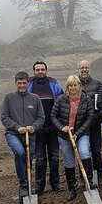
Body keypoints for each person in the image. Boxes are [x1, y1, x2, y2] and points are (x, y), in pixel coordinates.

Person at [51, 75, 96, 202]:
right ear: (67, 87)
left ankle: (89, 182)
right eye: (70, 85)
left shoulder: (86, 99)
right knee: (69, 161)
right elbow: (53, 116)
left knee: (84, 153)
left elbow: (89, 118)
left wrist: (78, 133)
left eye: (75, 85)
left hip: (81, 134)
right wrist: (62, 127)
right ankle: (72, 188)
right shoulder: (61, 99)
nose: (73, 88)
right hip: (65, 136)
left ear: (79, 86)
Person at [1, 71, 45, 200]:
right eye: (19, 83)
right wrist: (17, 127)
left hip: (30, 135)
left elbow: (41, 117)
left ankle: (26, 191)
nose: (21, 85)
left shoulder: (35, 98)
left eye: (24, 83)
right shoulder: (9, 98)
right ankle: (23, 185)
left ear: (28, 83)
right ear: (15, 83)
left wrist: (34, 127)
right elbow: (4, 117)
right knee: (20, 153)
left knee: (28, 160)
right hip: (13, 134)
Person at [27, 61, 64, 194]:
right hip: (37, 130)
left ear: (46, 70)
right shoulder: (29, 85)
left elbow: (62, 100)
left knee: (54, 157)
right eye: (38, 70)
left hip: (53, 127)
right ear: (34, 71)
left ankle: (55, 183)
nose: (40, 72)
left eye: (43, 69)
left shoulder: (53, 84)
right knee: (40, 159)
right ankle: (39, 186)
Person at [78, 60, 102, 184]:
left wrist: (99, 117)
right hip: (80, 126)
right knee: (82, 151)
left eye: (86, 67)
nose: (84, 69)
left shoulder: (98, 84)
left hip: (94, 124)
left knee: (96, 151)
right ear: (79, 69)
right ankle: (84, 177)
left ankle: (99, 176)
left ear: (90, 69)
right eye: (82, 67)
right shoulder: (74, 84)